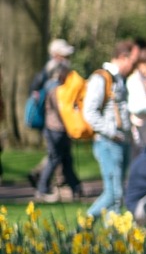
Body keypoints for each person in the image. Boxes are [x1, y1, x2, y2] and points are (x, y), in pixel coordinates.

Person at [83, 41, 139, 218]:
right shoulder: (100, 78)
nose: (135, 67)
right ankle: (81, 229)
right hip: (107, 143)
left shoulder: (119, 79)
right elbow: (89, 112)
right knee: (114, 194)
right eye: (134, 62)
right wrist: (112, 132)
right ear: (123, 57)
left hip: (121, 142)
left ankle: (112, 239)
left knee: (117, 197)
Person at [30, 39, 84, 202]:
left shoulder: (55, 84)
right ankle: (42, 187)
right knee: (55, 158)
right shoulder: (53, 85)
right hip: (55, 127)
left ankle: (75, 187)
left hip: (58, 127)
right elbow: (60, 109)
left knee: (64, 158)